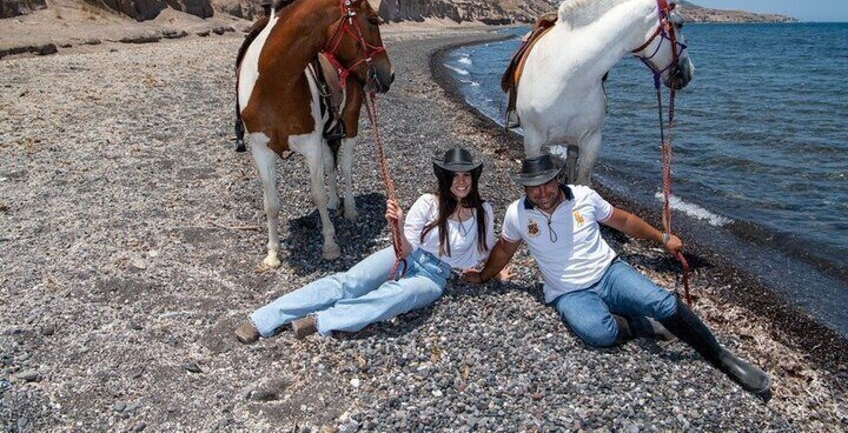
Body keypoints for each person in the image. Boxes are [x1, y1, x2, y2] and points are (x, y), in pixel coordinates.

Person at [462, 153, 771, 396]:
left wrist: (662, 238)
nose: (541, 192)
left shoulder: (584, 196)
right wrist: (484, 276)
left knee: (663, 302)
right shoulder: (518, 213)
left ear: (558, 179)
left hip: (609, 273)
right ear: (525, 187)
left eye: (547, 183)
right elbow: (504, 250)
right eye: (533, 186)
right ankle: (642, 324)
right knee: (599, 334)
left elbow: (623, 221)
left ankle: (720, 356)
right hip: (568, 292)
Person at [234, 146, 501, 342]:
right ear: (445, 178)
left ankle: (320, 320)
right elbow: (403, 250)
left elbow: (487, 249)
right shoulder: (428, 203)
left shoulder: (484, 212)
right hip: (410, 256)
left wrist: (497, 270)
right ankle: (263, 319)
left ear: (473, 178)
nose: (461, 182)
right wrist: (397, 224)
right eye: (454, 175)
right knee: (349, 282)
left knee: (395, 297)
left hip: (435, 277)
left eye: (466, 176)